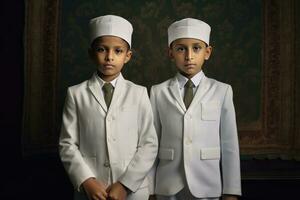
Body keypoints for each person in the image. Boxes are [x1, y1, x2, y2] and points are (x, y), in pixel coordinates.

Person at [59, 15, 158, 200]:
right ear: (91, 53)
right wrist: (87, 181)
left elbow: (149, 144)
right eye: (102, 49)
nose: (109, 57)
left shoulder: (139, 93)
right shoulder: (76, 93)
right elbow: (67, 144)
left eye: (118, 51)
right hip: (91, 191)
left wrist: (124, 184)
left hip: (132, 191)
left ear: (127, 56)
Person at [149, 18, 242, 200]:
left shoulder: (222, 91)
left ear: (207, 52)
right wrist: (150, 189)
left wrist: (231, 190)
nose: (189, 56)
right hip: (167, 186)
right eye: (181, 49)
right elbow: (151, 143)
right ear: (170, 53)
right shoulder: (158, 92)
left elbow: (230, 144)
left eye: (196, 48)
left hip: (208, 185)